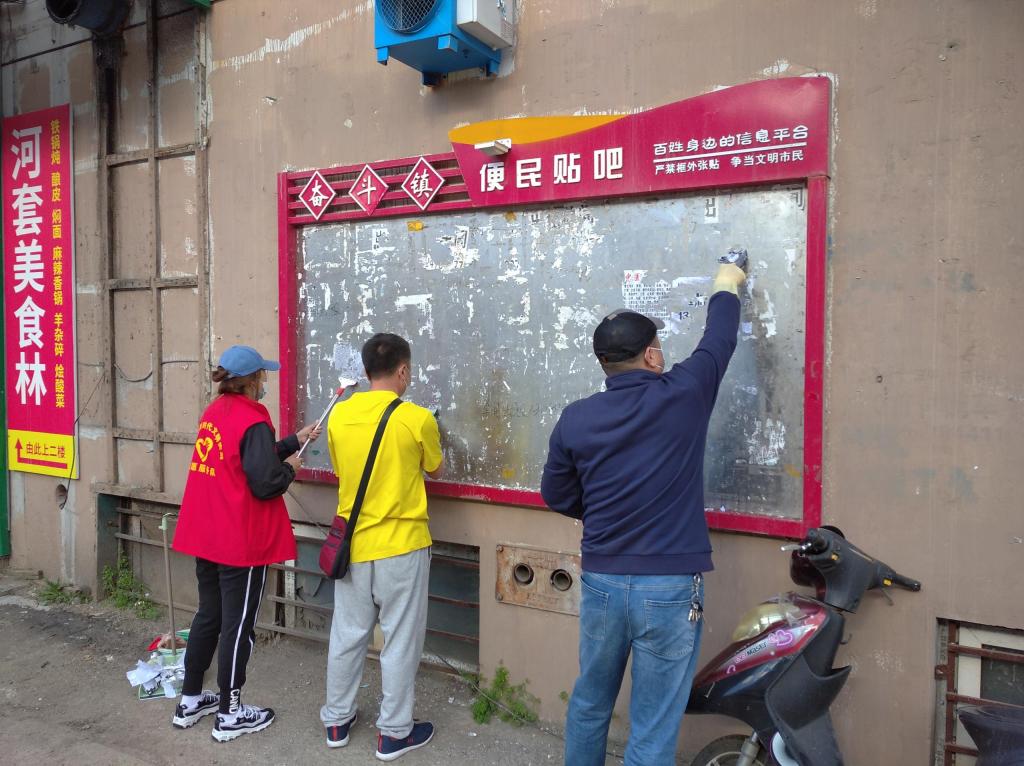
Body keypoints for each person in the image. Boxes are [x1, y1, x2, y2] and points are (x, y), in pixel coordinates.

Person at [541, 261, 747, 765]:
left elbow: (556, 494)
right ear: (653, 355)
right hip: (669, 590)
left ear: (604, 362)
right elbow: (719, 339)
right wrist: (727, 281)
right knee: (653, 725)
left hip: (602, 583)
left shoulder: (576, 418)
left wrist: (603, 509)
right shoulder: (685, 392)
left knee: (590, 701)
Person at [171, 344, 321, 742]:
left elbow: (244, 458)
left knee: (209, 615)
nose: (265, 381)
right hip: (240, 540)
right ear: (253, 380)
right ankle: (230, 712)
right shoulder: (254, 419)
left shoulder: (214, 412)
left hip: (207, 533)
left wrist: (291, 441)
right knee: (238, 626)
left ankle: (189, 700)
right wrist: (290, 468)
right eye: (263, 375)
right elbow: (265, 481)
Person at [320, 332, 444, 762]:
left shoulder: (339, 415)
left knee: (347, 635)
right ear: (403, 370)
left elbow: (342, 471)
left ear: (366, 370)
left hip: (353, 546)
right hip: (403, 548)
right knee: (400, 642)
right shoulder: (417, 418)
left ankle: (336, 721)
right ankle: (393, 733)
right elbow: (434, 467)